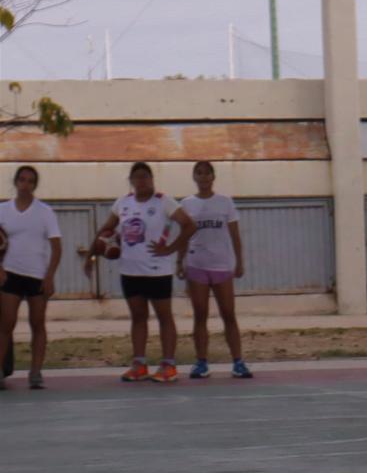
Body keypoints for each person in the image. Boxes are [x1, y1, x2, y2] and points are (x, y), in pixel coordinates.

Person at [87, 162, 190, 384]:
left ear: (152, 179)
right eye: (137, 177)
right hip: (130, 270)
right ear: (131, 181)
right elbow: (106, 229)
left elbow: (189, 225)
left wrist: (170, 248)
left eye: (146, 176)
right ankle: (139, 364)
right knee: (138, 318)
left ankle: (169, 365)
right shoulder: (123, 203)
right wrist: (93, 254)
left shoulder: (164, 201)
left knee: (164, 317)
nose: (142, 180)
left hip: (157, 271)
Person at [179, 160, 251, 380]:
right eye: (198, 173)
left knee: (228, 314)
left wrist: (239, 261)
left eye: (206, 173)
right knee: (200, 315)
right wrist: (179, 262)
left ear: (213, 176)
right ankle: (201, 362)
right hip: (196, 265)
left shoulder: (225, 202)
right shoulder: (187, 204)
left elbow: (235, 235)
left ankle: (238, 361)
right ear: (194, 177)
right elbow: (183, 235)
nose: (203, 177)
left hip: (221, 265)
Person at [0, 165, 62, 391]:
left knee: (38, 324)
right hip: (10, 274)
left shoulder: (45, 212)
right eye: (22, 180)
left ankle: (35, 373)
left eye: (30, 181)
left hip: (37, 275)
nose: (25, 184)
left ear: (35, 185)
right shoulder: (3, 210)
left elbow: (56, 247)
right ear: (15, 182)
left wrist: (50, 276)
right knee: (6, 325)